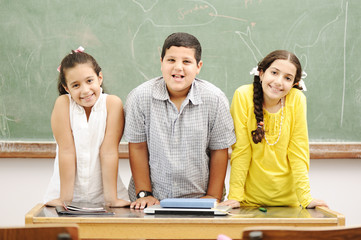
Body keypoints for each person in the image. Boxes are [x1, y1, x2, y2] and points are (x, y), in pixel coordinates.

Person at [124, 32, 236, 209]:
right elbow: (137, 146)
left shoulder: (215, 99)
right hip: (153, 200)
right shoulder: (139, 97)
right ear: (161, 62)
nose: (178, 67)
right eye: (171, 60)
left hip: (200, 199)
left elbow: (219, 150)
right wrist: (145, 193)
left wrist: (212, 196)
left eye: (186, 61)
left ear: (198, 66)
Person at [221, 50, 328, 209]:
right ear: (262, 73)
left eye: (287, 78)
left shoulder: (297, 100)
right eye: (274, 72)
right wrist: (235, 196)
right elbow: (241, 150)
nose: (279, 82)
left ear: (294, 84)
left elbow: (298, 152)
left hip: (289, 203)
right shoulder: (243, 96)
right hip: (249, 202)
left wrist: (306, 198)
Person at [43, 47, 130, 207]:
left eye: (89, 81)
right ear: (66, 88)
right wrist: (65, 200)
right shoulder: (63, 104)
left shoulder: (112, 104)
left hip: (106, 195)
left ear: (100, 77)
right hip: (64, 193)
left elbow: (109, 151)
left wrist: (111, 199)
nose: (85, 90)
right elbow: (67, 151)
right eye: (76, 85)